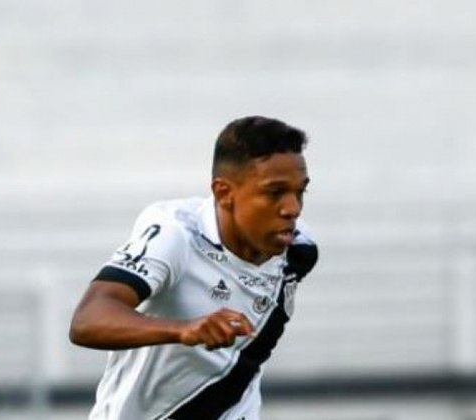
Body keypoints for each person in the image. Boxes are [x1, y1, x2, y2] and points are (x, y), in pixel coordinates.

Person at [69, 115, 319, 420]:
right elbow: (88, 320)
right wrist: (183, 329)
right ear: (224, 193)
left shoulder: (300, 250)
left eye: (300, 191)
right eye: (274, 192)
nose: (293, 208)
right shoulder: (176, 234)